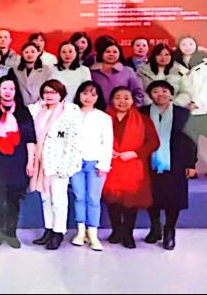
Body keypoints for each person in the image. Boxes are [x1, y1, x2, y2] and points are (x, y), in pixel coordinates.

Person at [141, 80, 198, 250]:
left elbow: (191, 139)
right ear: (150, 95)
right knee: (151, 197)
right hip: (148, 162)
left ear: (172, 95)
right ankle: (155, 228)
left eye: (164, 91)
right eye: (155, 91)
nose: (160, 94)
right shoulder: (142, 113)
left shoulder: (183, 114)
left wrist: (191, 163)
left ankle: (169, 230)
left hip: (176, 162)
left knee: (173, 199)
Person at [28, 80, 83, 250]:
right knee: (45, 198)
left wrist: (66, 164)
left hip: (59, 162)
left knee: (59, 199)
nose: (49, 96)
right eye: (46, 92)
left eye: (53, 92)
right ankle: (49, 229)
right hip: (41, 162)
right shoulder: (37, 110)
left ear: (61, 94)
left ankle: (58, 232)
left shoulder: (70, 112)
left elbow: (72, 140)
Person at [102, 87, 160, 249]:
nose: (122, 101)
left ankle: (128, 233)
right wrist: (105, 150)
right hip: (111, 163)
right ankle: (116, 231)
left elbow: (154, 142)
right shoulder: (103, 118)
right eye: (118, 97)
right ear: (111, 100)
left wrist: (135, 153)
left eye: (126, 98)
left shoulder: (143, 119)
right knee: (112, 199)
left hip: (133, 164)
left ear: (133, 101)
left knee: (131, 201)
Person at [0, 75, 37, 249]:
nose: (7, 92)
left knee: (13, 200)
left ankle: (11, 233)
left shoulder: (23, 112)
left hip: (18, 160)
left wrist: (30, 162)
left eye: (11, 89)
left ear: (16, 91)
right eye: (4, 88)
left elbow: (30, 139)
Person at [69, 81, 113, 251]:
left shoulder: (103, 117)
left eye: (93, 94)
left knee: (93, 198)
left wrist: (104, 164)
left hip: (95, 163)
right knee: (79, 197)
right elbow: (62, 135)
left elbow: (107, 142)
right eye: (85, 93)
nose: (88, 98)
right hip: (74, 162)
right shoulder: (70, 114)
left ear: (98, 97)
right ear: (79, 95)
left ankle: (93, 233)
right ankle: (80, 232)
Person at [90, 41, 146, 107]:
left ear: (119, 54)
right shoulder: (92, 72)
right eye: (108, 52)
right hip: (98, 110)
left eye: (115, 52)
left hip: (122, 110)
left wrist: (134, 108)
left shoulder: (128, 71)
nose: (111, 54)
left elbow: (138, 92)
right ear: (102, 53)